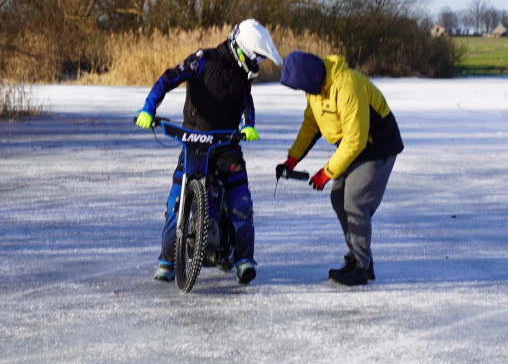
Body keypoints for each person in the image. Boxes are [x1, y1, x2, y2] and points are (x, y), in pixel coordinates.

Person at [135, 20, 283, 285]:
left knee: (241, 203)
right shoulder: (202, 60)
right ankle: (167, 260)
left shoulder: (242, 77)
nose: (258, 63)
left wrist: (248, 126)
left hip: (226, 146)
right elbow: (168, 79)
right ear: (241, 51)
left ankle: (244, 260)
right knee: (175, 204)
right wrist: (148, 108)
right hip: (194, 142)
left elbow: (246, 103)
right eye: (257, 57)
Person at [276, 51, 403, 286]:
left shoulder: (347, 86)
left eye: (301, 86)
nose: (302, 92)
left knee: (355, 200)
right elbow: (310, 126)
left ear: (311, 78)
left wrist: (327, 172)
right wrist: (293, 158)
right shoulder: (315, 91)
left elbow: (356, 139)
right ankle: (361, 260)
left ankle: (360, 267)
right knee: (338, 197)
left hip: (377, 147)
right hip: (353, 147)